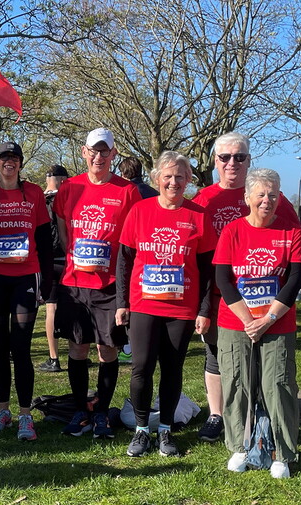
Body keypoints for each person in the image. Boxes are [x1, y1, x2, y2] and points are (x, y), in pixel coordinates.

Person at [191, 132, 298, 443]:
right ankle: (217, 415)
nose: (232, 163)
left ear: (249, 160)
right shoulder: (204, 199)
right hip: (218, 295)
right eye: (225, 157)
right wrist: (200, 304)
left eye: (240, 157)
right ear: (215, 162)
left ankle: (260, 417)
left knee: (262, 362)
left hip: (266, 300)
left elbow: (293, 244)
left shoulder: (273, 196)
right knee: (217, 357)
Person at [116, 151, 216, 457]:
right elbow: (124, 260)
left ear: (188, 180)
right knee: (141, 367)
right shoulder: (140, 211)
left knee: (172, 369)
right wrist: (122, 302)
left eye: (180, 177)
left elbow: (208, 269)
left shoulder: (198, 216)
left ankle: (166, 430)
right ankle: (142, 430)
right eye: (168, 176)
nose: (174, 182)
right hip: (144, 304)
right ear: (157, 178)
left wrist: (204, 309)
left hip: (181, 308)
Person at [212, 168, 301, 479]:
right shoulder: (232, 232)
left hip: (277, 323)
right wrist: (248, 320)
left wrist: (267, 319)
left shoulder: (290, 232)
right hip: (236, 321)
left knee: (277, 385)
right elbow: (223, 280)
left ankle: (282, 452)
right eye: (261, 194)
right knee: (237, 384)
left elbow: (295, 280)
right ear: (247, 198)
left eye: (273, 194)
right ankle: (240, 447)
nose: (267, 200)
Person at [54, 127, 140, 439]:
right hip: (76, 283)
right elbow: (63, 224)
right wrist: (73, 255)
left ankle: (101, 412)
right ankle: (80, 410)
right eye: (94, 150)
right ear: (84, 152)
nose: (99, 156)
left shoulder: (127, 191)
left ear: (114, 154)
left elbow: (130, 240)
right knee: (77, 347)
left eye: (105, 151)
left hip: (109, 284)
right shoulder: (70, 187)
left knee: (108, 350)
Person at [0, 141, 52, 441]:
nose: (10, 163)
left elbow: (44, 238)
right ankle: (3, 410)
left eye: (14, 158)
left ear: (20, 163)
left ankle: (25, 415)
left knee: (21, 347)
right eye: (4, 158)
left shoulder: (33, 193)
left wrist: (48, 281)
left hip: (25, 278)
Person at [38, 164, 69, 373]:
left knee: (51, 308)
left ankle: (54, 357)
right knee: (75, 306)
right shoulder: (69, 200)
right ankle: (78, 350)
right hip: (68, 258)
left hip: (48, 260)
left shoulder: (38, 200)